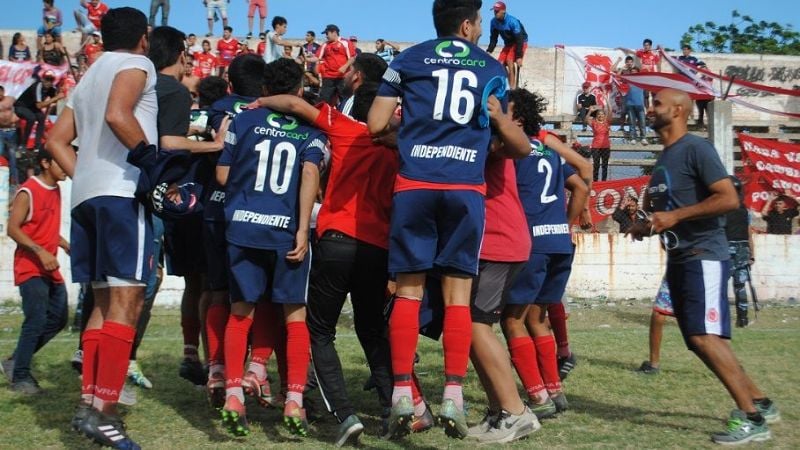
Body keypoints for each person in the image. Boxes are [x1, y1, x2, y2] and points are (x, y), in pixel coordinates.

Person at [367, 0, 530, 439]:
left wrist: (414, 136)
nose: (480, 30)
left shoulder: (406, 58)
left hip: (415, 184)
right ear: (466, 23)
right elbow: (505, 133)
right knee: (458, 296)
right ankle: (454, 396)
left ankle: (403, 389)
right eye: (478, 24)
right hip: (465, 188)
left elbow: (375, 123)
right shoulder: (490, 66)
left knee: (408, 289)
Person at [627, 88, 779, 445]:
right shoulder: (666, 156)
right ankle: (760, 400)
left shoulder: (695, 148)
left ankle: (752, 418)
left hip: (704, 256)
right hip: (681, 259)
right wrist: (645, 227)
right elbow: (667, 215)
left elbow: (728, 197)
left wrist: (676, 215)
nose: (650, 108)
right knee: (700, 340)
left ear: (679, 110)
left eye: (657, 103)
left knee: (703, 337)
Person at [46, 7, 157, 449]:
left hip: (88, 195)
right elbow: (118, 114)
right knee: (128, 299)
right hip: (121, 192)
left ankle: (89, 403)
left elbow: (55, 140)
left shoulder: (89, 73)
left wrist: (85, 173)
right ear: (143, 37)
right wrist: (152, 163)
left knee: (103, 301)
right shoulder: (137, 63)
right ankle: (105, 413)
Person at [216, 58, 324, 438]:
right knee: (295, 318)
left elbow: (223, 174)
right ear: (298, 91)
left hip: (243, 227)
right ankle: (294, 399)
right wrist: (302, 229)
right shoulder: (311, 129)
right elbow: (310, 172)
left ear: (264, 89)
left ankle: (232, 393)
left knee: (240, 313)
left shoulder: (242, 120)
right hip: (284, 231)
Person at [148, 25, 229, 388]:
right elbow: (172, 142)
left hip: (178, 208)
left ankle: (190, 354)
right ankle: (216, 363)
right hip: (203, 211)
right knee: (213, 287)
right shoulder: (190, 109)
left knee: (192, 285)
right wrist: (214, 144)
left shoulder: (187, 113)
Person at [502, 91, 590, 422]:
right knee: (537, 319)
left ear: (518, 121)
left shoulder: (513, 151)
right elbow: (581, 187)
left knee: (511, 319)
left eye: (503, 111)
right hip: (558, 244)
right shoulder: (548, 153)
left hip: (531, 244)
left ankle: (538, 395)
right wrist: (565, 225)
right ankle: (555, 390)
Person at [203, 55, 269, 410]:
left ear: (230, 83)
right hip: (260, 210)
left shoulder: (219, 108)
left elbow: (214, 142)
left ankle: (216, 368)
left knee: (217, 293)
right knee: (258, 299)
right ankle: (256, 370)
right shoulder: (269, 110)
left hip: (218, 207)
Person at [3, 150, 69, 394]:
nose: (66, 166)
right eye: (61, 161)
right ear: (45, 163)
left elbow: (42, 226)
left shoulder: (57, 189)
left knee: (59, 318)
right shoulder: (28, 190)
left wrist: (63, 244)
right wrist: (40, 251)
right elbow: (13, 228)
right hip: (30, 266)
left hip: (49, 267)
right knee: (36, 319)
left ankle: (14, 361)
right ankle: (20, 376)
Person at [725, 175, 754, 328]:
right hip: (743, 249)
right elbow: (749, 234)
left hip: (726, 248)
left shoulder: (722, 208)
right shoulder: (745, 210)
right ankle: (742, 319)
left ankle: (721, 318)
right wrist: (752, 255)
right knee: (740, 285)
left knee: (720, 284)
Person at [14, 70, 62, 151]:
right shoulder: (37, 86)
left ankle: (37, 145)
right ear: (42, 79)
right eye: (47, 79)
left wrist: (58, 93)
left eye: (51, 80)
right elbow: (39, 105)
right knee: (31, 118)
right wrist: (56, 98)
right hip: (21, 106)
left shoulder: (51, 88)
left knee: (41, 117)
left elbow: (54, 101)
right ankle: (23, 144)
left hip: (32, 108)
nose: (49, 82)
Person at [634, 277, 673, 375]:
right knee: (659, 313)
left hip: (694, 269)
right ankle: (653, 365)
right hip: (677, 270)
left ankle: (653, 365)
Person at [486, 1, 527, 90]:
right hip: (508, 44)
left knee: (509, 60)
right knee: (500, 64)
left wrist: (519, 56)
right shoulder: (493, 22)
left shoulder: (512, 21)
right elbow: (493, 38)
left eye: (497, 11)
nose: (495, 13)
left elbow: (519, 39)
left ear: (503, 11)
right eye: (494, 11)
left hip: (520, 42)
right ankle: (507, 85)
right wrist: (489, 50)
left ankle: (512, 88)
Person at [316, 24, 356, 105]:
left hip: (342, 76)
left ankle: (346, 116)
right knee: (324, 99)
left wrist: (345, 67)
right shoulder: (325, 45)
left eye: (327, 34)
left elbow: (352, 58)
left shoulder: (345, 42)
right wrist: (307, 58)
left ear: (334, 32)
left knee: (344, 98)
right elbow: (317, 57)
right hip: (328, 77)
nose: (326, 36)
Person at [0, 86, 19, 185]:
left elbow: (22, 105)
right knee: (0, 154)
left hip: (12, 130)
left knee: (13, 156)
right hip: (0, 131)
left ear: (3, 91)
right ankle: (2, 179)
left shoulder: (10, 99)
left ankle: (14, 181)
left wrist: (19, 116)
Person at [587, 107, 610, 181]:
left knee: (605, 166)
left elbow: (610, 111)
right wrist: (590, 111)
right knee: (596, 165)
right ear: (597, 116)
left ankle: (604, 181)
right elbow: (586, 119)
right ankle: (595, 181)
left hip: (605, 147)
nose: (601, 116)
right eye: (599, 114)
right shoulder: (594, 123)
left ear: (604, 115)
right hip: (595, 147)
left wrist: (607, 100)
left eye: (602, 114)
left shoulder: (607, 122)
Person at [626, 80, 647, 145]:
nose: (633, 72)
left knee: (642, 122)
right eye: (632, 71)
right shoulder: (627, 83)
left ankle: (643, 138)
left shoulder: (642, 82)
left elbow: (646, 96)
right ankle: (633, 138)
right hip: (630, 105)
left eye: (635, 71)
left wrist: (646, 106)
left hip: (640, 105)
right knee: (632, 122)